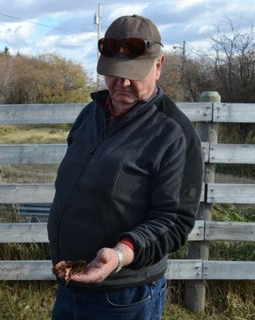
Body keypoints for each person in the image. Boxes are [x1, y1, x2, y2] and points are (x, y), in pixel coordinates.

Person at [47, 14, 203, 319]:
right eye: (114, 73)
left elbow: (174, 222)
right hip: (71, 283)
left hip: (125, 297)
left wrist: (121, 255)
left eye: (133, 74)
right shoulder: (91, 115)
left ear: (159, 66)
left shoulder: (174, 133)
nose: (122, 83)